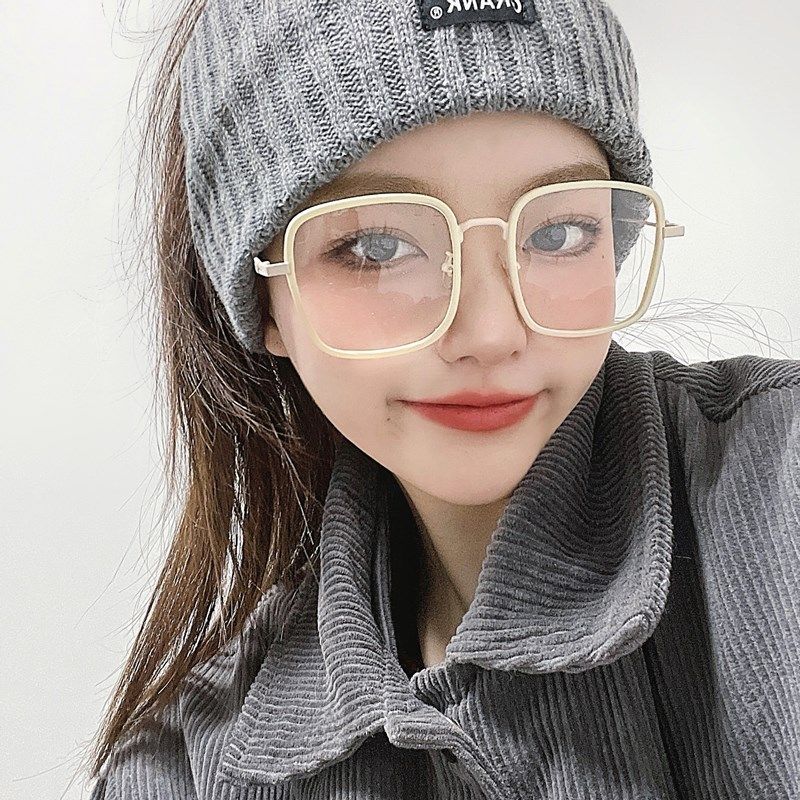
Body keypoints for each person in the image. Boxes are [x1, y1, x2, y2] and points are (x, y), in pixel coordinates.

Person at [85, 0, 800, 797]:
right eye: (377, 247)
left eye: (557, 234)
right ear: (264, 302)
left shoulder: (783, 497)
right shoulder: (184, 770)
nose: (491, 333)